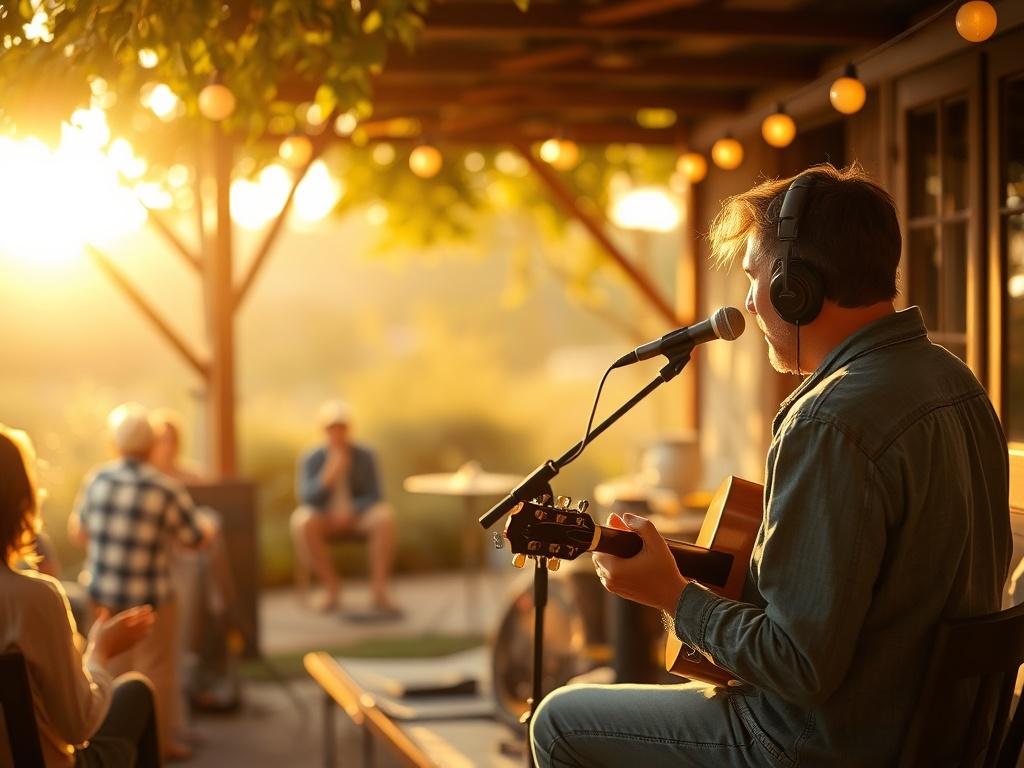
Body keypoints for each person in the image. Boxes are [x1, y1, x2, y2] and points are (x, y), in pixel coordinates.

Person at [530, 163, 1012, 767]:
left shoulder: (829, 421)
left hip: (818, 747)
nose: (751, 303)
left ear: (796, 287)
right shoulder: (954, 379)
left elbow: (799, 665)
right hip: (943, 742)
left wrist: (674, 597)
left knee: (558, 722)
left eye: (756, 278)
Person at [0, 424, 161, 767]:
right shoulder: (33, 598)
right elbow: (77, 727)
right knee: (136, 692)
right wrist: (100, 652)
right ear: (22, 503)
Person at [69, 403, 214, 761]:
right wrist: (208, 526)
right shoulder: (166, 488)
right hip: (152, 597)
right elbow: (196, 538)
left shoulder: (97, 479)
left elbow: (79, 533)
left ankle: (108, 743)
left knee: (106, 664)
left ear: (116, 445)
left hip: (102, 591)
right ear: (152, 446)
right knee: (157, 672)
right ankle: (160, 744)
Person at [290, 399, 398, 614]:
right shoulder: (312, 458)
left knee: (384, 517)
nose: (337, 432)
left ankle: (379, 591)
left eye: (342, 427)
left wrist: (352, 510)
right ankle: (331, 587)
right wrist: (327, 478)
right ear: (324, 430)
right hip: (325, 516)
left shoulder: (365, 456)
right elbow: (306, 498)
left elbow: (376, 495)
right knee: (303, 521)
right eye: (332, 428)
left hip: (358, 516)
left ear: (349, 429)